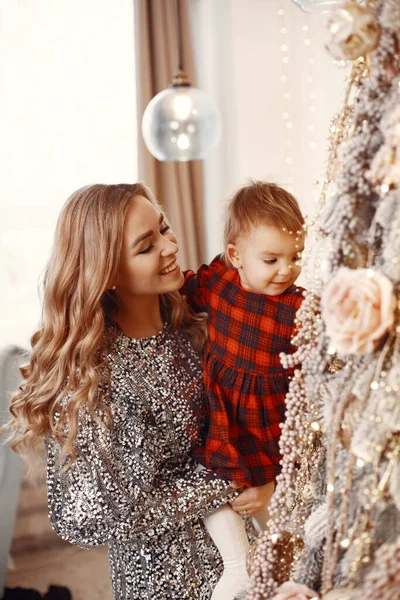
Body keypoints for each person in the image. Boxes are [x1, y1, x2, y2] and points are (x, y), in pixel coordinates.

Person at [2, 183, 258, 600]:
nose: (171, 246)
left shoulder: (194, 326)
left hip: (242, 551)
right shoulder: (91, 374)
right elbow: (88, 519)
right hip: (159, 579)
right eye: (146, 246)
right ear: (106, 272)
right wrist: (230, 481)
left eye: (165, 228)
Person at [183, 181, 306, 599]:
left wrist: (273, 477)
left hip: (267, 433)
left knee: (284, 549)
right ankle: (238, 575)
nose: (286, 270)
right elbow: (179, 291)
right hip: (219, 424)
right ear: (236, 255)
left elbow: (309, 391)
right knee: (229, 536)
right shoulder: (219, 281)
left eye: (295, 257)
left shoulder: (298, 309)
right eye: (271, 259)